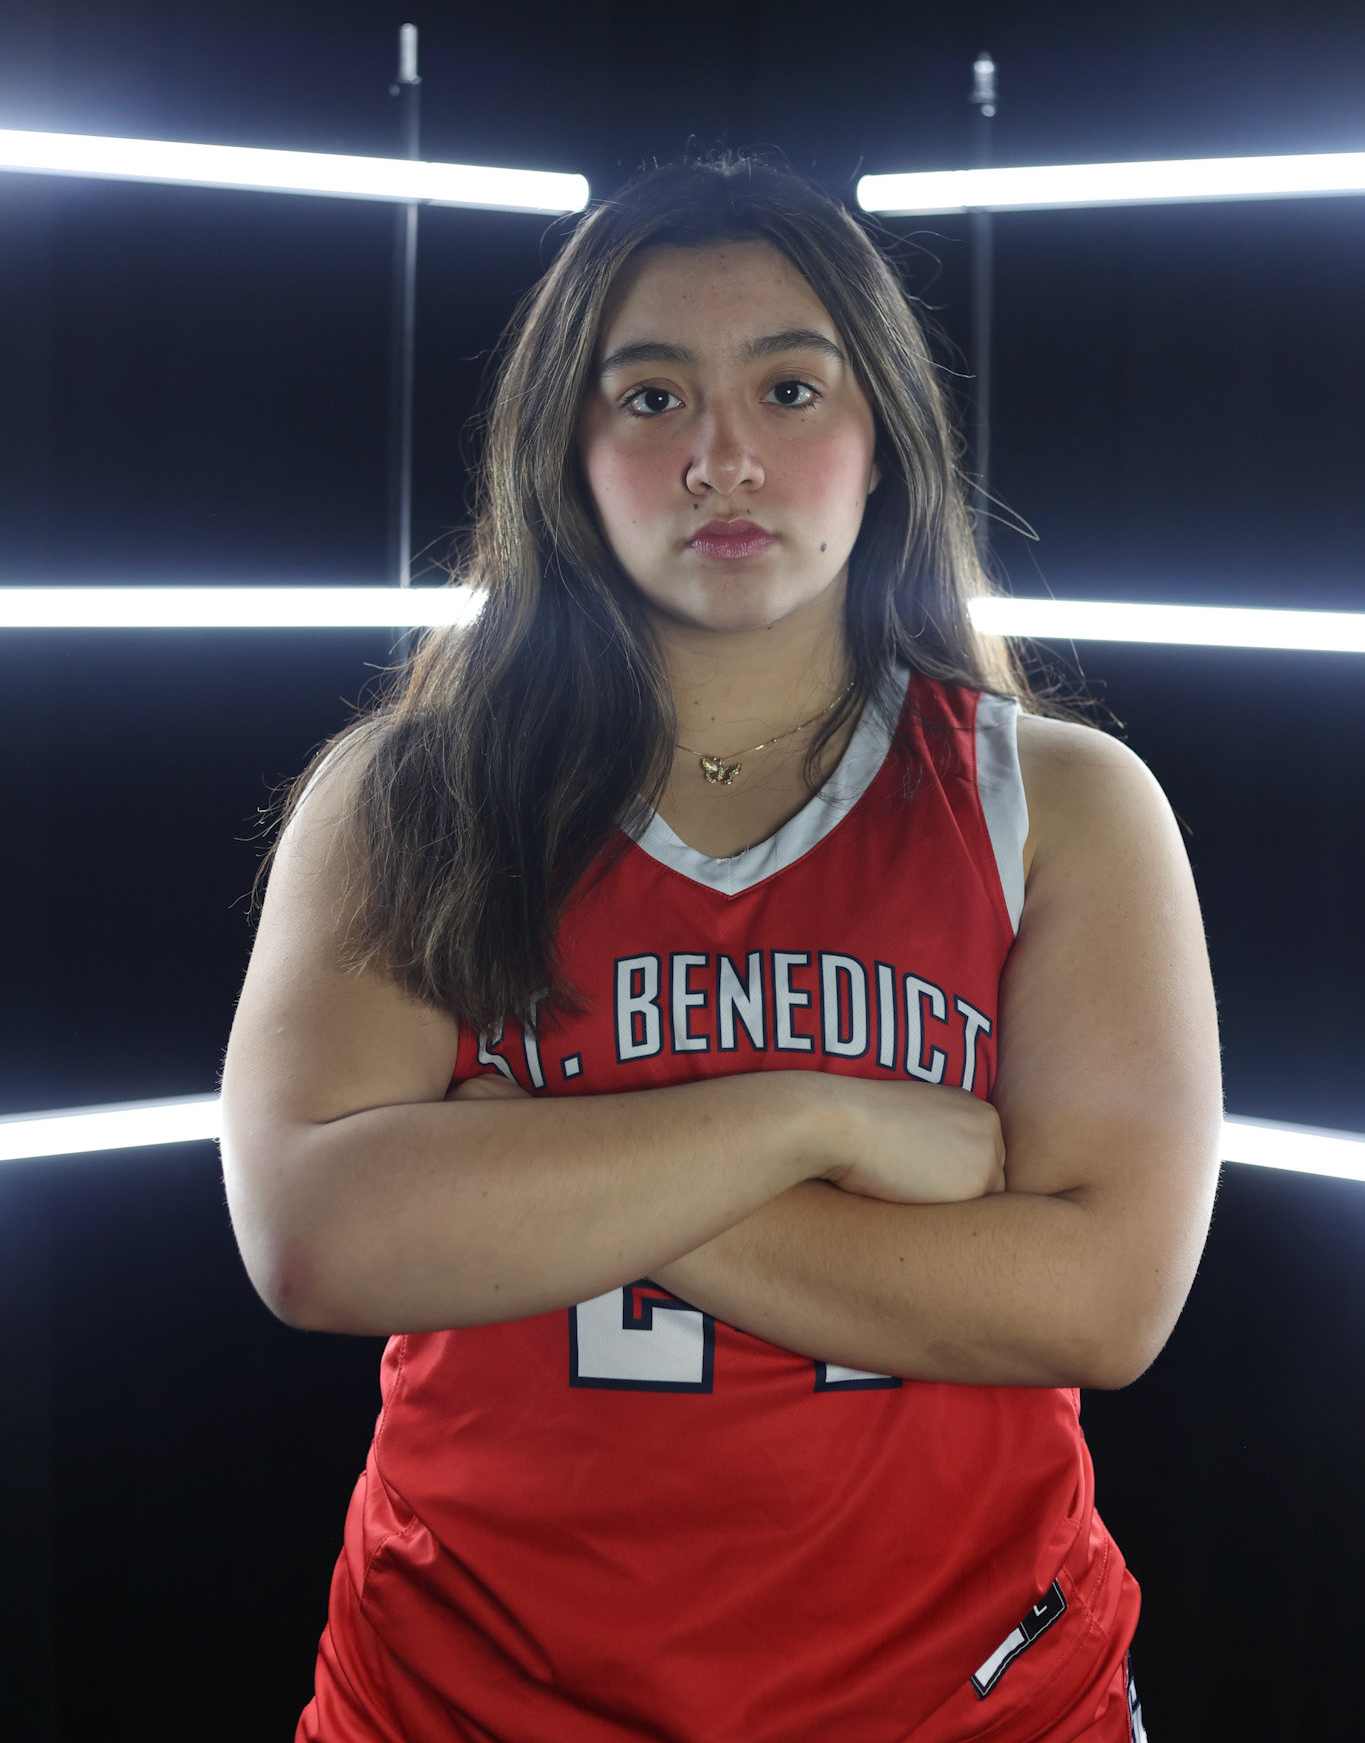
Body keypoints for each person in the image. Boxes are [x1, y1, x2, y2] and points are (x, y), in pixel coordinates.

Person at [218, 149, 1222, 1742]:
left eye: (790, 390)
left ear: (880, 438)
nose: (722, 459)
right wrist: (810, 1119)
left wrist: (527, 1169)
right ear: (567, 445)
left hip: (965, 1705)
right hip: (466, 1699)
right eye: (651, 398)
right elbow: (317, 1243)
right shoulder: (411, 792)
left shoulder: (1062, 805)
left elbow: (1099, 1300)